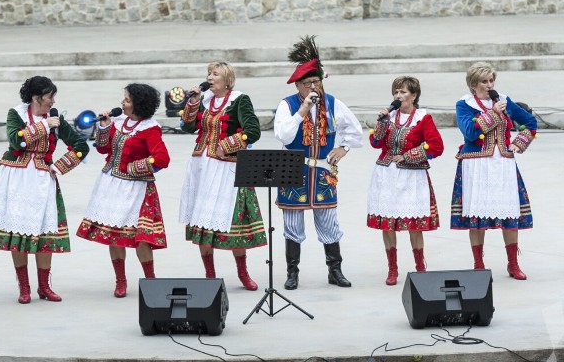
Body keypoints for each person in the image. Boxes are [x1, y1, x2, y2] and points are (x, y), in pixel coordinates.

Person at [0, 76, 90, 303]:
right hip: (15, 177)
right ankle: (24, 287)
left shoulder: (57, 118)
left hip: (42, 179)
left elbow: (81, 146)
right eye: (49, 97)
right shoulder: (15, 114)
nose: (53, 101)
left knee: (44, 230)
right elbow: (17, 142)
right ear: (36, 98)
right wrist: (45, 125)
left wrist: (59, 167)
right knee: (18, 230)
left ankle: (44, 287)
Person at [274, 36, 363, 290]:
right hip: (293, 167)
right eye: (308, 83)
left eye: (317, 81)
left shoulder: (333, 103)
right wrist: (302, 110)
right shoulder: (288, 105)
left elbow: (354, 130)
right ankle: (293, 273)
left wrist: (343, 147)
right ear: (298, 86)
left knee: (329, 221)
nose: (314, 86)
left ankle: (335, 270)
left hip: (323, 169)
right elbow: (284, 135)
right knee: (292, 223)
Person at [178, 62, 266, 290]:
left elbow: (253, 131)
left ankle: (242, 273)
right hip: (202, 168)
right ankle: (210, 275)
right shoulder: (204, 100)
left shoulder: (239, 99)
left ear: (227, 79)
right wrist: (193, 102)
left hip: (227, 167)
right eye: (208, 73)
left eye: (215, 73)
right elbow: (187, 127)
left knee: (233, 220)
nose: (210, 77)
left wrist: (228, 144)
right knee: (203, 222)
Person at [77, 83, 170, 297]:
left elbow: (163, 158)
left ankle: (150, 281)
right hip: (111, 185)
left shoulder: (150, 128)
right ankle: (120, 281)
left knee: (141, 238)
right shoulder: (119, 122)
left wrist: (133, 167)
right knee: (113, 234)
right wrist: (103, 127)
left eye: (127, 100)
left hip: (136, 189)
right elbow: (103, 148)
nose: (122, 103)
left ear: (138, 105)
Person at [451, 62, 537, 280]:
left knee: (508, 211)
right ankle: (478, 263)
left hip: (503, 163)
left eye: (491, 80)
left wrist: (520, 142)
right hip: (476, 164)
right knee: (476, 214)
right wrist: (492, 113)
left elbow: (530, 122)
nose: (489, 85)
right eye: (484, 81)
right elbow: (469, 132)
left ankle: (513, 264)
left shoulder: (504, 100)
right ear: (473, 84)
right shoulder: (464, 104)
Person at [367, 76, 444, 284]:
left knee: (414, 223)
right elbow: (376, 143)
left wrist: (408, 156)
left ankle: (420, 266)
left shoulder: (423, 118)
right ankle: (392, 269)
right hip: (386, 174)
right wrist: (381, 123)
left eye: (403, 92)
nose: (398, 96)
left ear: (414, 95)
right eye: (396, 92)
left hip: (412, 175)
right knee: (388, 224)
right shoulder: (389, 117)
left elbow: (436, 146)